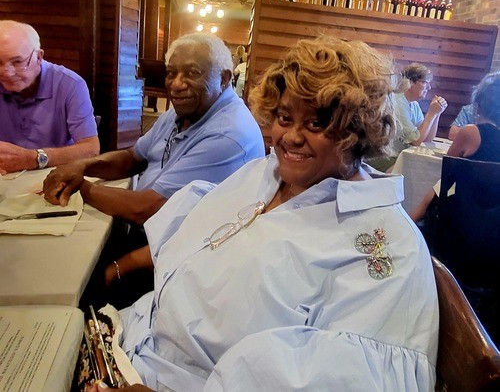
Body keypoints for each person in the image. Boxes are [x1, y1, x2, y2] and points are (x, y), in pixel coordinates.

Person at [88, 36, 438, 391]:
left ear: (359, 129)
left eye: (316, 123)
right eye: (284, 117)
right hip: (131, 333)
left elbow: (355, 381)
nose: (291, 137)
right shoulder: (266, 173)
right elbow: (200, 231)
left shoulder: (388, 245)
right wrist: (119, 268)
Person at [43, 33, 265, 303]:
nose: (177, 84)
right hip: (147, 236)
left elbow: (145, 210)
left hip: (174, 263)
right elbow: (133, 158)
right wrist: (81, 165)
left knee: (69, 283)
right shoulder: (184, 111)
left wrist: (79, 184)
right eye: (171, 73)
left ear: (224, 79)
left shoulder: (228, 134)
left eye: (192, 73)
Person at [0, 20, 99, 174]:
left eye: (17, 62)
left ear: (39, 57)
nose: (7, 73)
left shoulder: (70, 84)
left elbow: (91, 149)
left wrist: (34, 158)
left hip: (53, 175)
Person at [411, 71, 500, 222]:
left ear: (477, 104)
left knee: (436, 190)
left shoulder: (471, 133)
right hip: (495, 223)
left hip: (463, 216)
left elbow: (446, 176)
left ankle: (411, 223)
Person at [368, 62, 448, 171]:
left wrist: (437, 113)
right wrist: (431, 114)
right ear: (410, 82)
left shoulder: (414, 104)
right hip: (384, 158)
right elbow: (415, 141)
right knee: (422, 170)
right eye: (425, 82)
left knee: (426, 168)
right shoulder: (397, 101)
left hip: (399, 156)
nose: (429, 87)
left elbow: (427, 138)